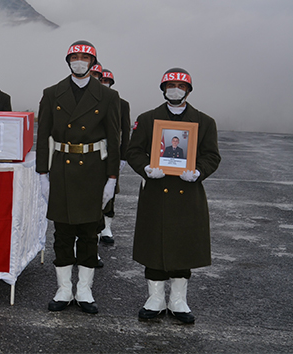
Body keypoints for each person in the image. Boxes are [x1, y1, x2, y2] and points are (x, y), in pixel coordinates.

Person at [126, 68, 221, 324]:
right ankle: (155, 299)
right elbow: (133, 151)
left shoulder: (204, 121)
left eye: (180, 85)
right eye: (170, 85)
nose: (175, 89)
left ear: (188, 90)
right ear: (163, 89)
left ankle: (179, 300)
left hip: (187, 193)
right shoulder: (147, 119)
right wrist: (146, 168)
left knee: (183, 246)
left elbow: (212, 155)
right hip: (156, 191)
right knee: (154, 245)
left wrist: (199, 171)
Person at [36, 40, 121, 314]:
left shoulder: (108, 96)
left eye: (85, 57)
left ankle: (84, 289)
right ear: (68, 60)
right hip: (60, 167)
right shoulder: (52, 93)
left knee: (88, 232)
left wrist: (112, 178)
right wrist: (42, 174)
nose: (79, 61)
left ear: (93, 62)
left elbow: (114, 139)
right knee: (62, 233)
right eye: (74, 56)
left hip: (93, 169)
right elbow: (43, 136)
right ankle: (63, 289)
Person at [97, 68, 131, 245]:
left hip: (112, 153)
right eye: (101, 80)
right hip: (93, 153)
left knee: (111, 189)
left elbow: (126, 132)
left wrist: (123, 157)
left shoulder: (121, 104)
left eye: (106, 81)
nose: (104, 84)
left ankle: (106, 227)